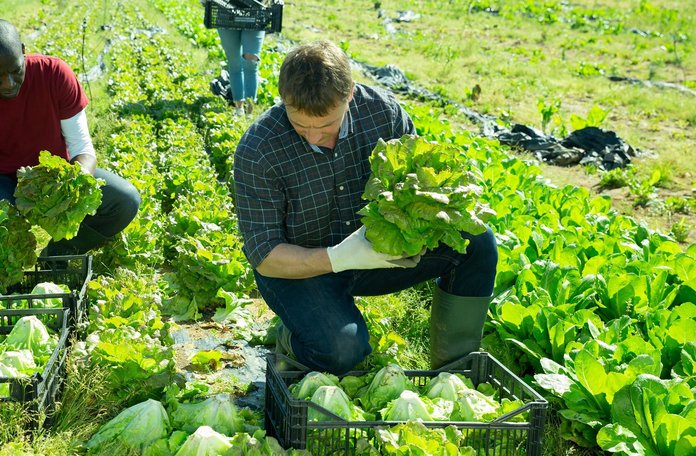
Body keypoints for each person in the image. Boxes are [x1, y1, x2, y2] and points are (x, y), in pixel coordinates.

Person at [233, 41, 498, 375]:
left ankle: (456, 371)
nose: (313, 137)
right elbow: (266, 257)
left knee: (478, 241)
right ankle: (293, 340)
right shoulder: (258, 148)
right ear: (284, 101)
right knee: (342, 350)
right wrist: (341, 257)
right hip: (299, 268)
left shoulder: (383, 113)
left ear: (350, 95)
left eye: (326, 125)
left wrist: (395, 239)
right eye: (301, 126)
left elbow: (418, 192)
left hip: (377, 253)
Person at [0, 19, 140, 267]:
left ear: (23, 51)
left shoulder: (54, 75)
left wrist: (73, 182)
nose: (8, 83)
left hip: (52, 178)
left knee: (124, 201)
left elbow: (81, 146)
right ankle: (10, 264)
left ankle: (58, 255)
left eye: (16, 70)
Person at [208, 0, 266, 116]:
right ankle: (239, 109)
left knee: (251, 61)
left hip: (254, 13)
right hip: (226, 14)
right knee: (235, 64)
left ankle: (250, 111)